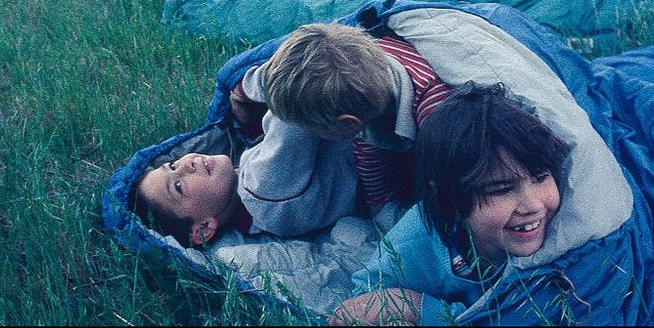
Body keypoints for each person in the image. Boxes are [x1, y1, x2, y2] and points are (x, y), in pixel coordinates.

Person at [328, 82, 570, 325]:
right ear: (447, 197)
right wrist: (412, 305)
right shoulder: (415, 243)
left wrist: (427, 310)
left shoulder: (566, 229)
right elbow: (364, 306)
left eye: (540, 177)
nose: (532, 205)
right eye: (502, 189)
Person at [230, 22, 453, 228]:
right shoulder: (362, 70)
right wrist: (240, 93)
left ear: (347, 123)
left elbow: (455, 191)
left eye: (309, 129)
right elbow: (375, 178)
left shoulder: (436, 117)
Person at [132, 106, 359, 247]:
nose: (185, 164)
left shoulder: (252, 194)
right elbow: (298, 99)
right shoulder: (264, 189)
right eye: (178, 186)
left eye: (173, 165)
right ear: (203, 229)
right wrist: (245, 87)